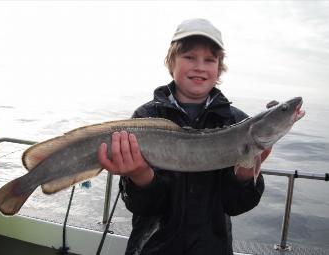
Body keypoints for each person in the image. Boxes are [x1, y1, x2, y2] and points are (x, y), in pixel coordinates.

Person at [98, 18, 271, 255]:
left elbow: (236, 205)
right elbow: (142, 206)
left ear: (219, 68)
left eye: (209, 60)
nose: (200, 66)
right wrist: (139, 175)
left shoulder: (236, 123)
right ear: (171, 62)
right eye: (189, 57)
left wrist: (245, 171)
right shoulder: (145, 118)